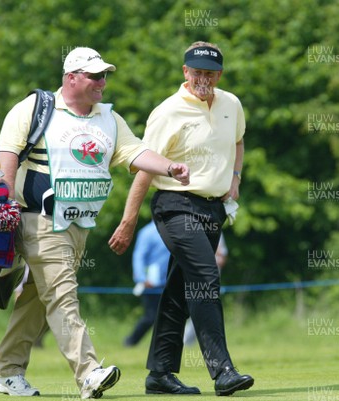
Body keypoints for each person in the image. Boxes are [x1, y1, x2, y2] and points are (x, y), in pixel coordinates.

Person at [0, 47, 189, 398]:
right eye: (95, 76)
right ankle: (89, 373)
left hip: (78, 224)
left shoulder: (108, 119)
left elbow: (135, 153)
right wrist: (4, 201)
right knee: (63, 296)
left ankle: (6, 371)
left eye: (104, 75)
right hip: (39, 220)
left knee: (38, 299)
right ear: (72, 78)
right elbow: (7, 152)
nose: (103, 82)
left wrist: (169, 167)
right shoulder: (36, 108)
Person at [109, 41, 254, 396]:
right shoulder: (167, 112)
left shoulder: (231, 104)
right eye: (197, 72)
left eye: (210, 73)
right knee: (206, 276)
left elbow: (238, 141)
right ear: (185, 72)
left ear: (219, 74)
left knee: (179, 291)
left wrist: (235, 178)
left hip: (213, 210)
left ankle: (159, 374)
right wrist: (128, 222)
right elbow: (144, 167)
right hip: (175, 206)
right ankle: (222, 371)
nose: (203, 78)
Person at [123, 221, 170, 347]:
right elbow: (139, 256)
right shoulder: (147, 232)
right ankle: (131, 341)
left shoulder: (175, 229)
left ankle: (165, 345)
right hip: (152, 283)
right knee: (151, 316)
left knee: (170, 316)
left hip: (171, 281)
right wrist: (142, 279)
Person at [183, 233, 228, 346]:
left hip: (212, 278)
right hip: (198, 274)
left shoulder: (217, 229)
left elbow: (222, 258)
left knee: (205, 308)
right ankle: (185, 340)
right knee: (197, 307)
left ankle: (196, 341)